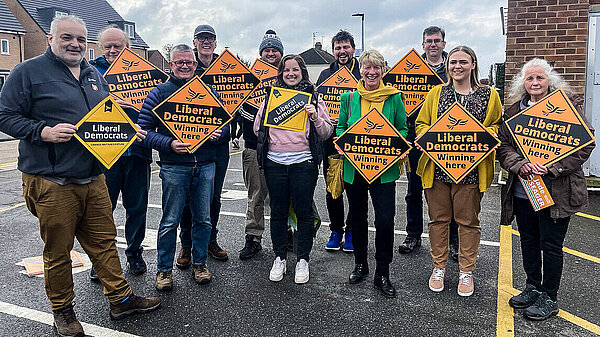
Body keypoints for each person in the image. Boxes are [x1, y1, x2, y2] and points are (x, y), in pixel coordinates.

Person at [0, 15, 160, 336]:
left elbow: (97, 114)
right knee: (59, 250)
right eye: (67, 38)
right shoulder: (27, 72)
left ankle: (120, 299)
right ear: (50, 39)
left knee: (103, 242)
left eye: (81, 39)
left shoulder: (91, 74)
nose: (75, 44)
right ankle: (63, 311)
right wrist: (42, 131)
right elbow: (5, 115)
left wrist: (126, 124)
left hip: (93, 174)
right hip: (51, 179)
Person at [498, 58, 595, 320]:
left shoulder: (567, 107)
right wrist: (520, 165)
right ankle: (532, 286)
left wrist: (553, 167)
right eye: (529, 79)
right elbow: (504, 147)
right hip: (524, 189)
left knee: (551, 246)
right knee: (528, 241)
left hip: (557, 190)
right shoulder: (514, 111)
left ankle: (549, 296)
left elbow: (585, 144)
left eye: (539, 78)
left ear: (549, 80)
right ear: (523, 82)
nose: (535, 83)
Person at [416, 45, 502, 297]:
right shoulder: (436, 93)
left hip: (472, 173)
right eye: (453, 62)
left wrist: (492, 133)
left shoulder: (489, 95)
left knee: (468, 222)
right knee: (438, 221)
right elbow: (422, 122)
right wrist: (423, 133)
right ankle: (439, 267)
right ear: (447, 65)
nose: (457, 67)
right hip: (437, 172)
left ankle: (466, 270)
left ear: (473, 64)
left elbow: (497, 123)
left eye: (463, 62)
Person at [138, 44, 222, 290]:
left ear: (195, 64)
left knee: (204, 220)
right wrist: (169, 143)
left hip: (205, 164)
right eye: (179, 62)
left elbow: (226, 123)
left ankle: (200, 264)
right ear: (171, 64)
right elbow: (143, 130)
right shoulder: (159, 93)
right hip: (174, 166)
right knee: (169, 221)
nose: (184, 66)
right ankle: (164, 271)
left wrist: (220, 132)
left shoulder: (208, 91)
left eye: (188, 62)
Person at [254, 54, 332, 284]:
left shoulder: (313, 97)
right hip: (274, 163)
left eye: (295, 70)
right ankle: (279, 257)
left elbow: (326, 132)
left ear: (302, 72)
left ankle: (302, 259)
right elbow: (258, 127)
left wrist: (315, 117)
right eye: (286, 70)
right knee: (277, 212)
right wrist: (266, 108)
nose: (290, 73)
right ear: (281, 73)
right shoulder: (271, 96)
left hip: (303, 163)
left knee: (303, 212)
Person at [337, 50, 407, 298]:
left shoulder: (394, 98)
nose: (371, 72)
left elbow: (403, 128)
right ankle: (360, 264)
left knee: (385, 221)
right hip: (354, 169)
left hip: (384, 171)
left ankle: (383, 272)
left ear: (382, 70)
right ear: (361, 70)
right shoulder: (349, 98)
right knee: (357, 219)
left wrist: (400, 147)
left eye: (376, 67)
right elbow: (341, 126)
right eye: (367, 67)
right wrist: (341, 141)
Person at [90, 25, 153, 276]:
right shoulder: (90, 72)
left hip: (137, 151)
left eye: (118, 46)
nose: (113, 50)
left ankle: (134, 254)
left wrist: (139, 103)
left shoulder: (144, 72)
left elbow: (157, 109)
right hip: (106, 151)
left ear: (127, 46)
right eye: (108, 46)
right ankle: (101, 260)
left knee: (137, 207)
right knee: (103, 208)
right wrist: (107, 102)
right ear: (101, 46)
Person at [399, 26, 459, 260]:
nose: (433, 44)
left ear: (444, 43)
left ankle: (453, 240)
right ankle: (413, 234)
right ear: (422, 45)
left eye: (437, 40)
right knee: (414, 189)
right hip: (415, 136)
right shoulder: (410, 68)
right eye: (428, 41)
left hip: (446, 139)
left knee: (449, 190)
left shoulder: (453, 67)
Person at [176, 24, 230, 268]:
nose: (206, 42)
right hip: (191, 145)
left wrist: (225, 131)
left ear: (216, 42)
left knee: (214, 197)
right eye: (201, 39)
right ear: (195, 42)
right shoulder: (188, 66)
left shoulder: (227, 68)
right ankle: (186, 245)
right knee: (188, 199)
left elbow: (235, 107)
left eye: (210, 38)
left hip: (218, 144)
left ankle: (210, 240)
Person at [238, 29, 284, 259]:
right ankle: (253, 238)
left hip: (281, 149)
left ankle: (284, 236)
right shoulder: (249, 79)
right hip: (253, 146)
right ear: (260, 53)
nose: (270, 53)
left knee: (282, 196)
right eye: (266, 49)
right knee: (256, 196)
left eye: (274, 49)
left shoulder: (289, 78)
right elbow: (239, 110)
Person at [316, 30, 361, 253]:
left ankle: (352, 231)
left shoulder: (363, 73)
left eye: (346, 47)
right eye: (338, 48)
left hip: (356, 141)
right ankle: (336, 230)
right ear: (333, 50)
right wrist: (327, 117)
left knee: (355, 188)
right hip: (330, 140)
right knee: (333, 187)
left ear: (353, 48)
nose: (342, 51)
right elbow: (316, 105)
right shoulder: (325, 74)